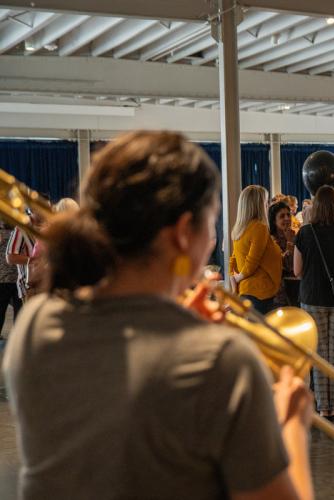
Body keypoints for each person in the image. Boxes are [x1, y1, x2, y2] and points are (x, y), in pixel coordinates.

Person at [3, 131, 313, 499]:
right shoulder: (222, 361)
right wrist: (290, 423)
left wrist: (180, 321)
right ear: (183, 232)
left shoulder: (36, 323)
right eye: (210, 225)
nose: (212, 241)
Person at [294, 186, 334, 425]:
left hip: (312, 298)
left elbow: (297, 270)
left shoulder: (304, 233)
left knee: (319, 354)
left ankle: (323, 408)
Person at [231, 185, 283, 314]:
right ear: (259, 205)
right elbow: (252, 262)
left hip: (245, 290)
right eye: (266, 203)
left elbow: (232, 260)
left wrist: (234, 279)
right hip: (260, 292)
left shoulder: (239, 229)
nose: (267, 206)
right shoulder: (259, 227)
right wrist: (236, 279)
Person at [269, 201, 295, 308]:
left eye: (288, 215)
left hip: (295, 290)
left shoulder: (294, 235)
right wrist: (290, 242)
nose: (287, 218)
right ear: (274, 221)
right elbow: (287, 265)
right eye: (282, 216)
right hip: (279, 294)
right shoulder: (270, 239)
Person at [0, 221, 21, 338]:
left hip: (8, 278)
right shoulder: (18, 232)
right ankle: (18, 337)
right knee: (19, 309)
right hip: (12, 277)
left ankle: (18, 337)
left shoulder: (18, 232)